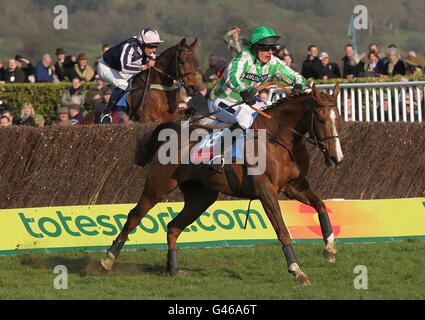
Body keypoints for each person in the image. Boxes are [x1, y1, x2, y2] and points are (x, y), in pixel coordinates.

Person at [211, 25, 305, 130]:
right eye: (266, 47)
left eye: (272, 48)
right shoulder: (243, 58)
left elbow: (296, 77)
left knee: (271, 118)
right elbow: (232, 77)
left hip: (248, 103)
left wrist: (298, 85)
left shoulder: (274, 63)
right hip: (224, 101)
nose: (270, 52)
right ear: (255, 47)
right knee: (245, 119)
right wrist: (243, 91)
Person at [97, 28, 164, 123]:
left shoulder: (148, 50)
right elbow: (125, 68)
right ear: (142, 43)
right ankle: (106, 113)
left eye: (156, 46)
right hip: (105, 67)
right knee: (122, 84)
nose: (154, 49)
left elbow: (154, 61)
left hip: (119, 70)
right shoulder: (129, 46)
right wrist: (144, 67)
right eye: (151, 46)